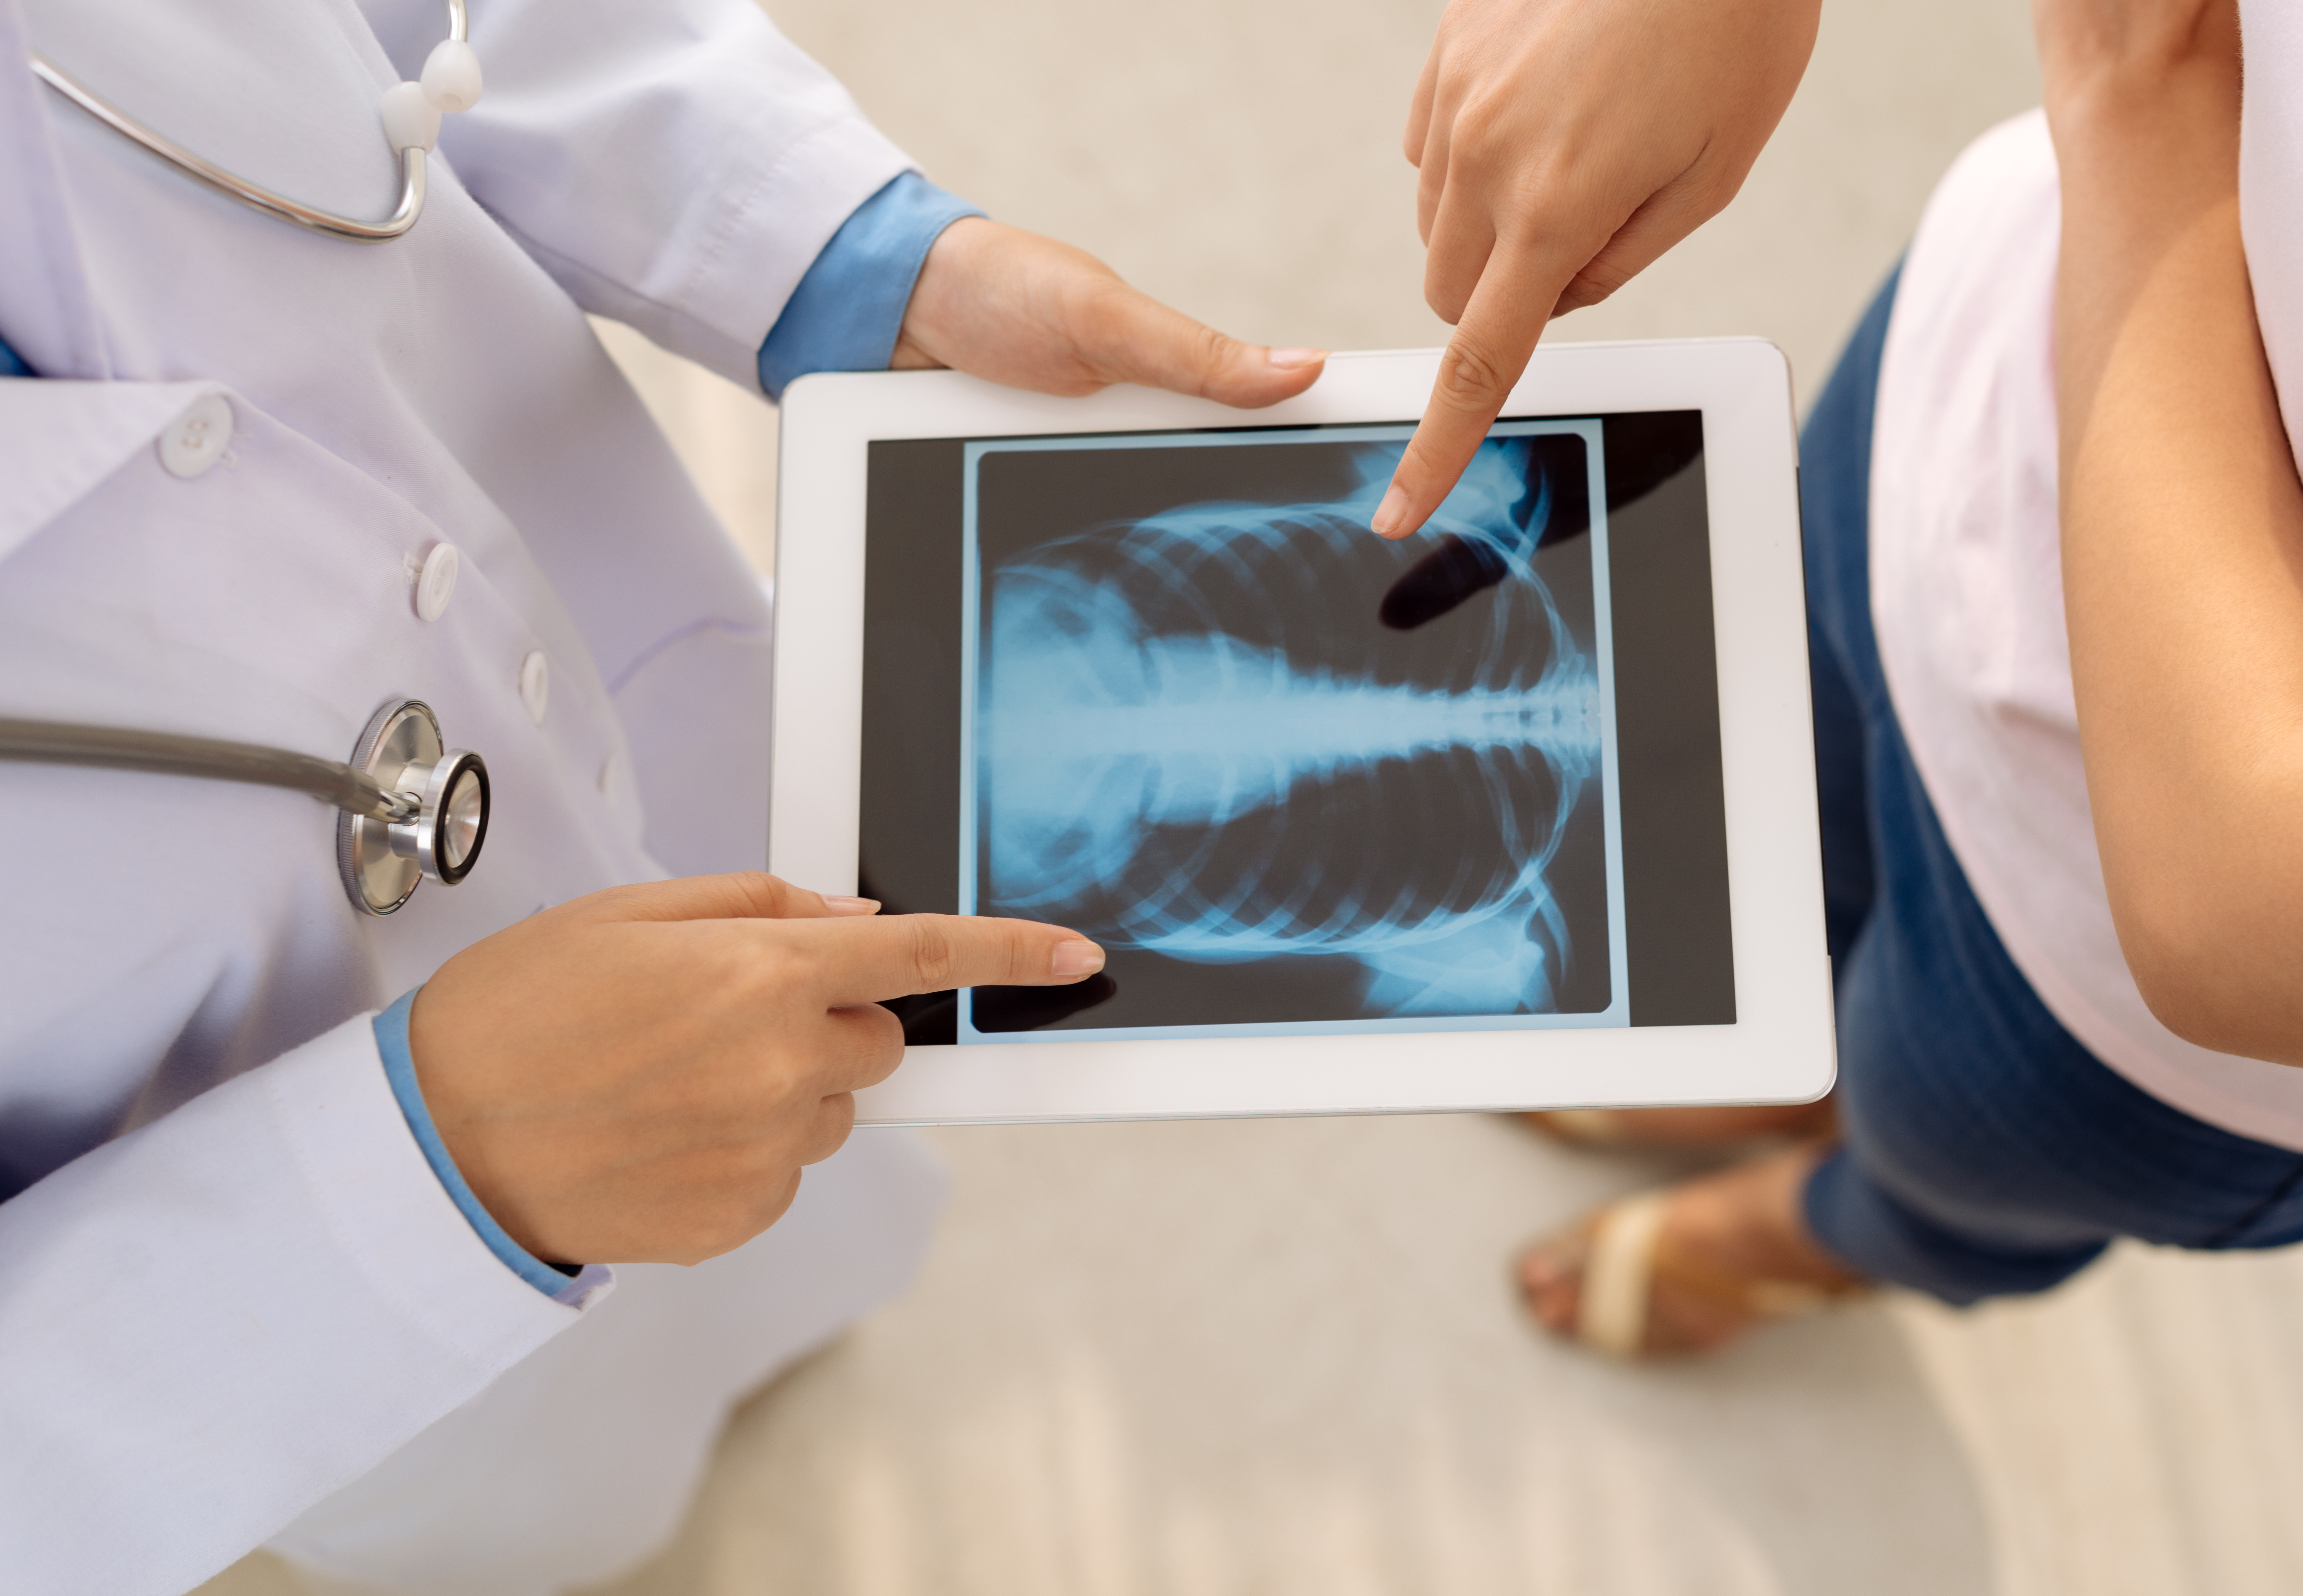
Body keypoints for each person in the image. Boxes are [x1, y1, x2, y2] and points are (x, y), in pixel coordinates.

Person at [0, 1, 1325, 1590]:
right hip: (263, 1240)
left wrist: (854, 259)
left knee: (827, 1126)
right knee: (554, 1475)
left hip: (604, 627)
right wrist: (425, 1174)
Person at [1391, 0, 2303, 1358]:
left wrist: (2133, 92)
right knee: (1768, 855)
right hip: (1965, 381)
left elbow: (2241, 894)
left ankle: (1809, 1235)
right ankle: (1779, 1068)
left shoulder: (2132, 91)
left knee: (1940, 1166)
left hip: (2125, 1011)